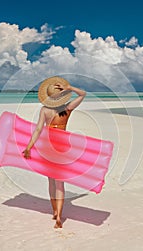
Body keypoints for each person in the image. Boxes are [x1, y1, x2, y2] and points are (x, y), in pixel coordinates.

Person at [22, 76, 86, 228]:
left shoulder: (45, 110)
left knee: (51, 181)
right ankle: (59, 217)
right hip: (63, 148)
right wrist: (70, 88)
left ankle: (55, 212)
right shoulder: (67, 109)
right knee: (60, 184)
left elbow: (38, 129)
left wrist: (29, 146)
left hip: (48, 148)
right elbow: (83, 94)